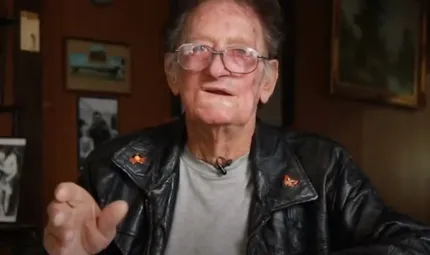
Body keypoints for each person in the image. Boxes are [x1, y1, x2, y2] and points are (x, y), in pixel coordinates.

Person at [43, 0, 430, 254]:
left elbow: (415, 243)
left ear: (267, 80)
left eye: (241, 53)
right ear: (172, 74)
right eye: (198, 50)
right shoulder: (113, 168)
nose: (216, 68)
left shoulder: (324, 169)